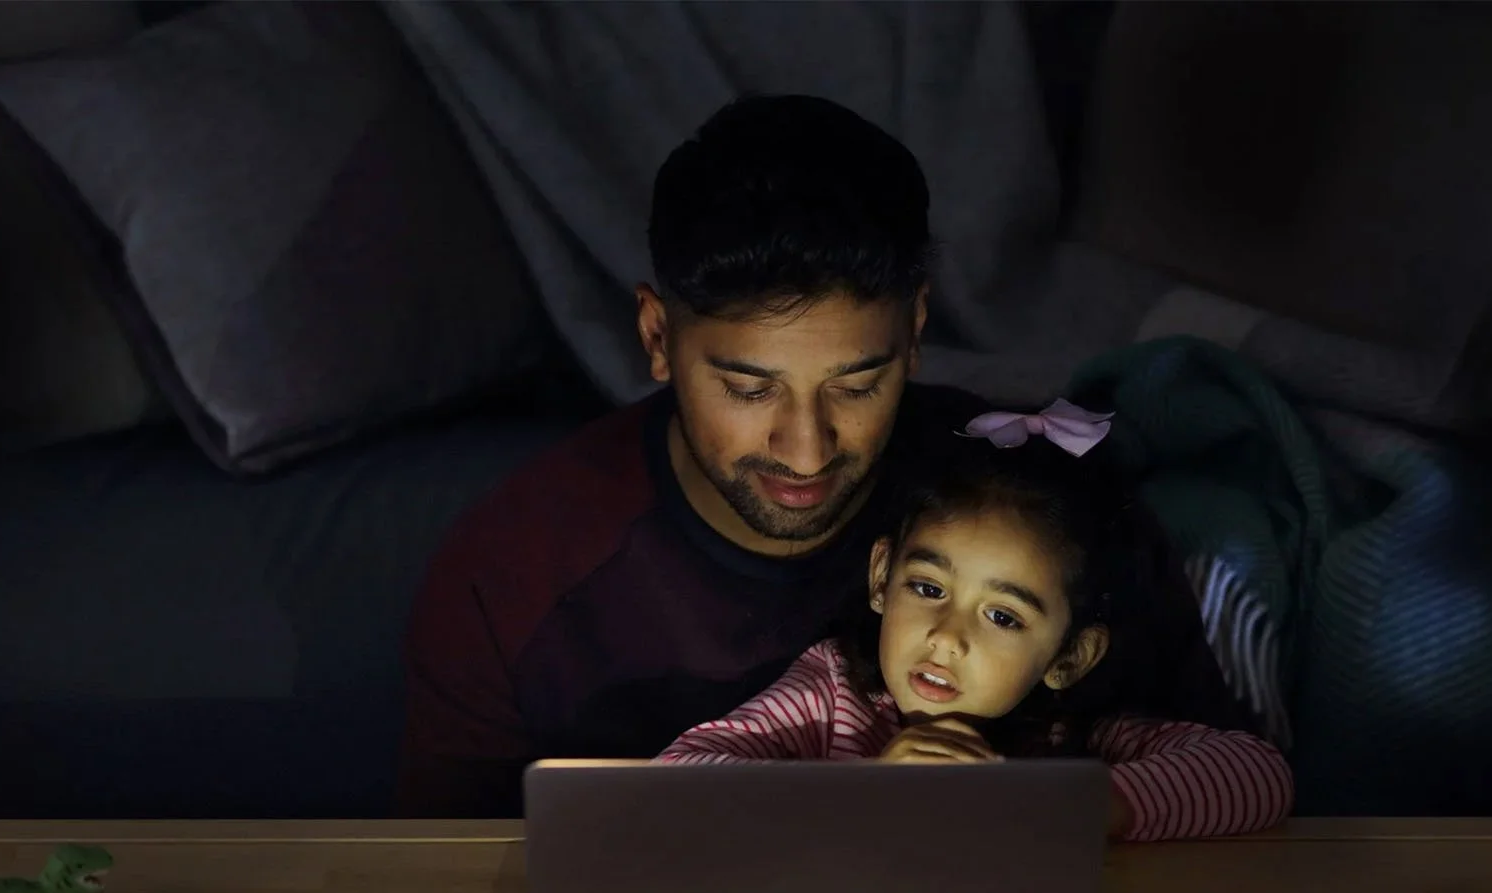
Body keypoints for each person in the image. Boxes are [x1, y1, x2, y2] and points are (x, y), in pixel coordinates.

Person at [396, 93, 1251, 818]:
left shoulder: (1032, 502)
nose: (806, 449)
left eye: (857, 383)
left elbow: (1235, 795)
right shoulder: (509, 577)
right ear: (658, 337)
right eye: (748, 387)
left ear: (915, 334)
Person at [655, 403, 1294, 841]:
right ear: (883, 577)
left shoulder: (1067, 736)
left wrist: (1055, 806)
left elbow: (1258, 774)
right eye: (929, 587)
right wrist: (860, 791)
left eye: (1002, 616)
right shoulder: (835, 695)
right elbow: (676, 777)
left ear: (1069, 656)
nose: (947, 636)